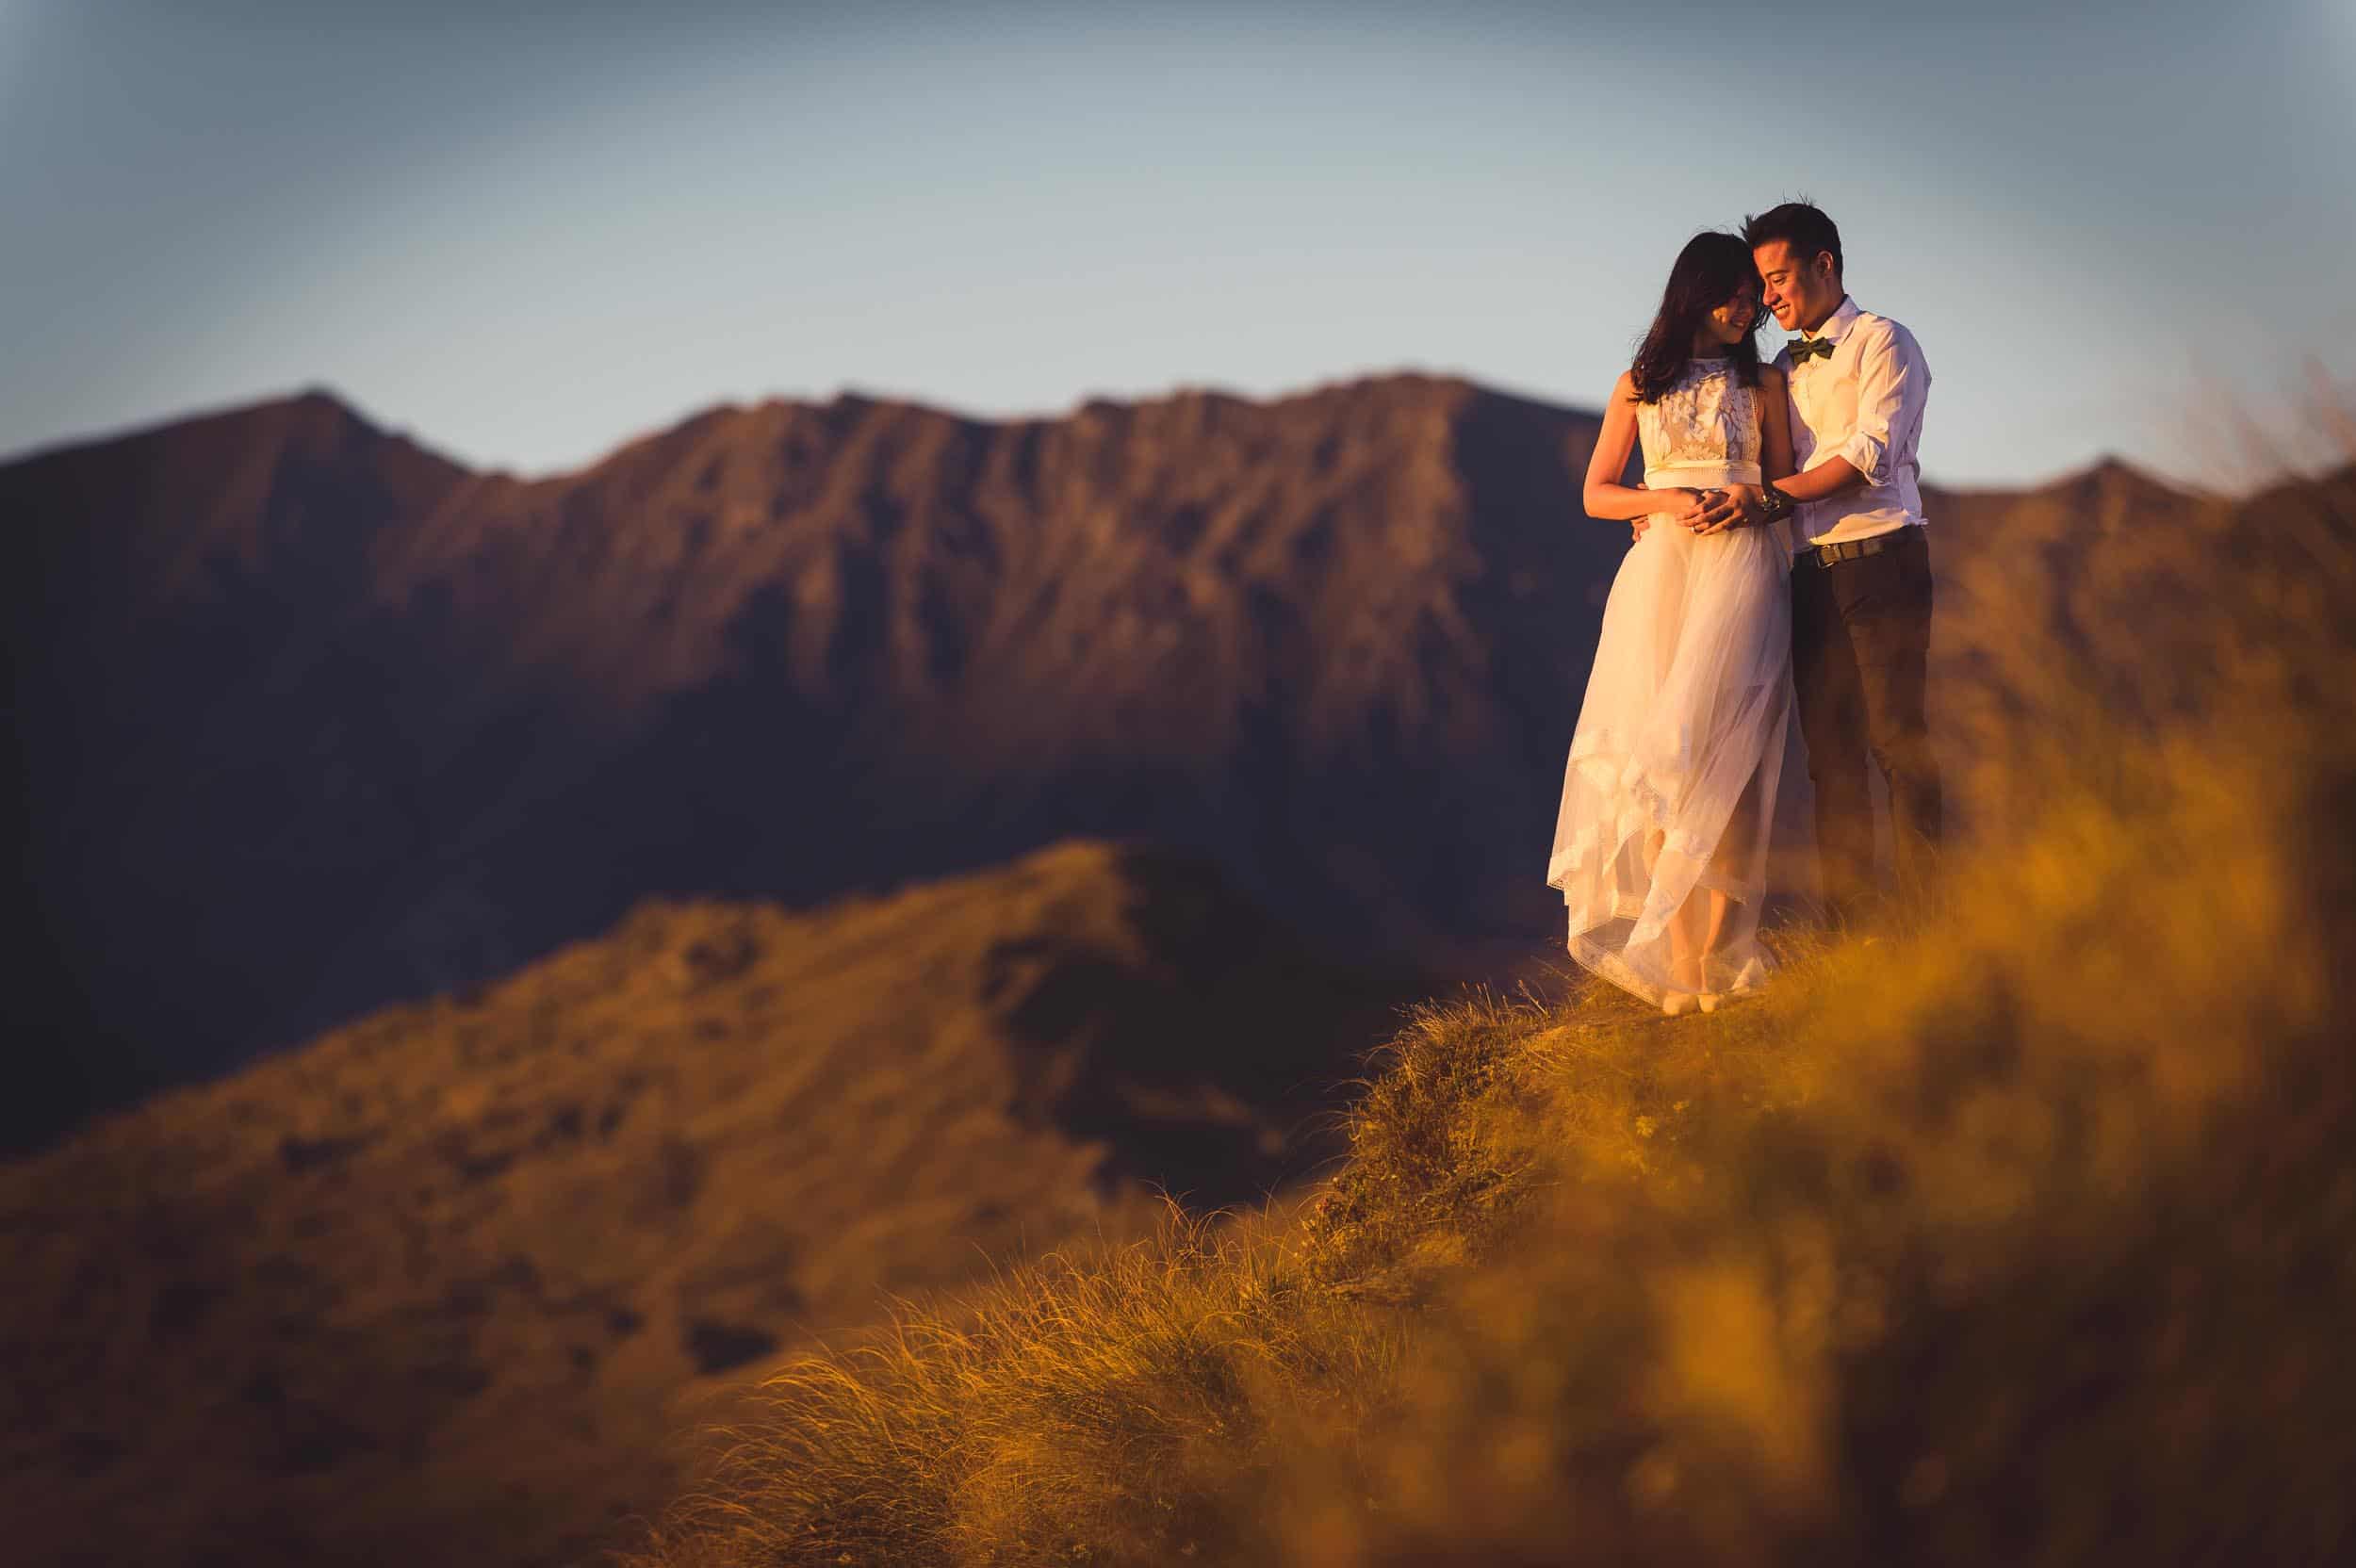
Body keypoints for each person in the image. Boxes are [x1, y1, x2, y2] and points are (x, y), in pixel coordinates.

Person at [1547, 231, 1799, 1015]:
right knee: (1661, 764)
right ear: (1693, 292)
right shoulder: (1638, 384)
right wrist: (1660, 503)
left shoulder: (1762, 383)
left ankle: (1718, 965)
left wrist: (1757, 508)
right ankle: (1679, 974)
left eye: (1753, 294)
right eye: (1733, 292)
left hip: (1744, 573)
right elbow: (1595, 491)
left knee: (1728, 764)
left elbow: (1786, 482)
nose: (1747, 306)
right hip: (1661, 577)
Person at [1731, 201, 1940, 925]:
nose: (1770, 297)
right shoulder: (1783, 367)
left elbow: (1863, 459)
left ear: (1825, 265)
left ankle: (1926, 927)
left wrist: (1763, 499)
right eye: (1763, 284)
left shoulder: (1885, 340)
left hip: (1883, 563)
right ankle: (1850, 937)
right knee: (1831, 761)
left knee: (1897, 744)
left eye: (1780, 277)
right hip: (1810, 575)